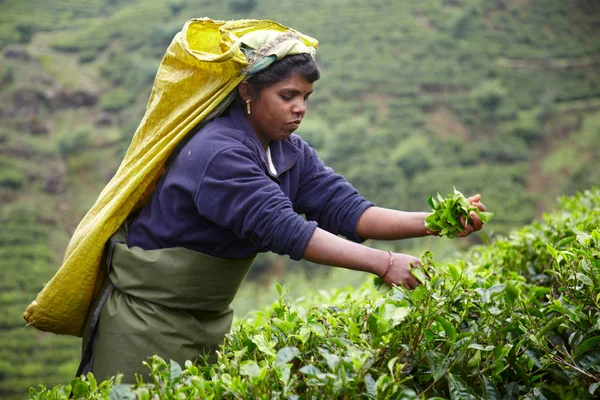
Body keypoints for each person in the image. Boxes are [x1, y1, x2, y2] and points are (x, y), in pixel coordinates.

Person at [78, 27, 486, 383]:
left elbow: (349, 210)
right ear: (247, 92)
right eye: (287, 95)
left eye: (306, 97)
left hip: (207, 318)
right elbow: (285, 229)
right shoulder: (218, 153)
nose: (300, 108)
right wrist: (384, 263)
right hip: (144, 319)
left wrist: (437, 221)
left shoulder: (287, 150)